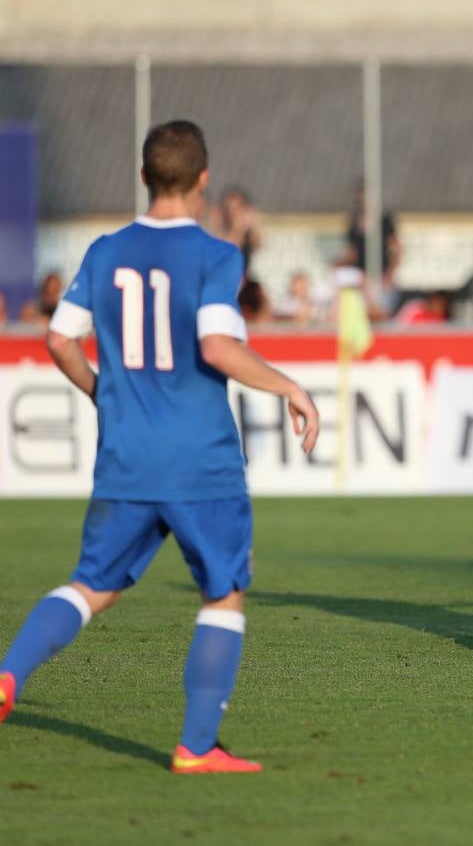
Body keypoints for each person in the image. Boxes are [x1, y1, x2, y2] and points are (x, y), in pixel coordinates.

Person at [0, 120, 320, 772]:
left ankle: (7, 675)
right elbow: (216, 346)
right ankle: (197, 745)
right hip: (201, 459)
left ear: (145, 177)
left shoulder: (104, 250)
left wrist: (101, 392)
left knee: (91, 585)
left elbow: (59, 340)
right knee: (223, 592)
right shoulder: (216, 255)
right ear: (203, 180)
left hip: (126, 453)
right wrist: (290, 386)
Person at [339, 182, 401, 320]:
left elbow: (396, 248)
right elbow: (351, 253)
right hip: (360, 279)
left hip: (381, 276)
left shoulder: (384, 220)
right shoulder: (354, 222)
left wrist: (390, 274)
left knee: (381, 312)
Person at [219, 184, 262, 274]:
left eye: (236, 208)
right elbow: (229, 252)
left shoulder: (246, 230)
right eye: (229, 208)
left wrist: (254, 226)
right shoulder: (219, 227)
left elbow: (259, 247)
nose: (232, 213)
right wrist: (238, 230)